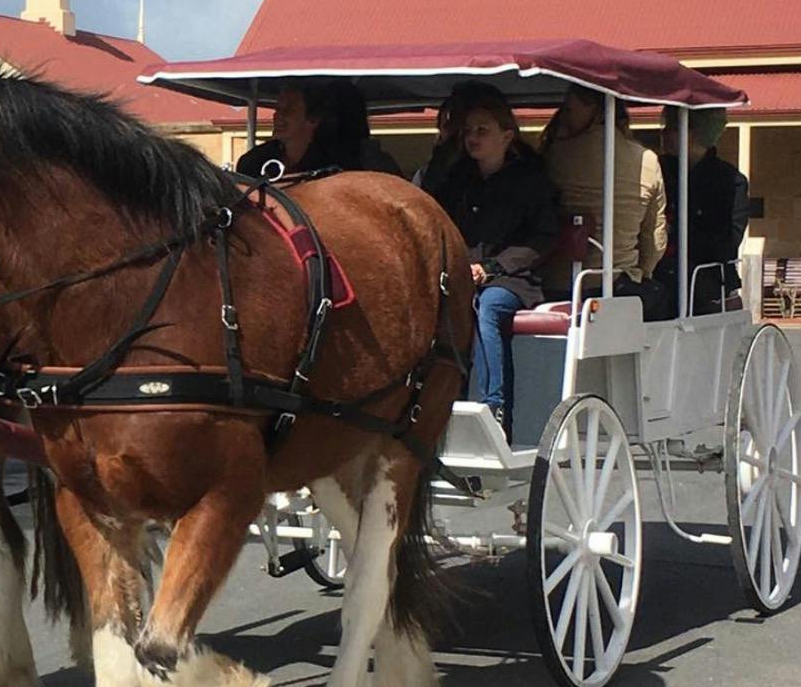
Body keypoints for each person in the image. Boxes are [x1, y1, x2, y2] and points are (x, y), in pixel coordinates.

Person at [423, 85, 559, 439]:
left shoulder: (532, 180)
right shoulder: (459, 179)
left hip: (513, 279)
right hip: (461, 275)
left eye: (482, 130)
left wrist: (494, 268)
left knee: (488, 306)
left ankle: (493, 409)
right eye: (468, 131)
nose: (472, 137)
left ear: (507, 135)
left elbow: (543, 239)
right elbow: (432, 206)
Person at [540, 85, 668, 314]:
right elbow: (655, 238)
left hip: (557, 283)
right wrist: (641, 273)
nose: (564, 116)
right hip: (618, 282)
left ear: (595, 110)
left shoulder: (555, 154)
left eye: (569, 109)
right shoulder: (647, 159)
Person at [656, 106, 749, 315]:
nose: (662, 133)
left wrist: (673, 230)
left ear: (696, 132)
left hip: (706, 281)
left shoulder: (729, 180)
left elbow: (727, 242)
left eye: (672, 127)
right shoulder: (656, 170)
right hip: (658, 275)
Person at [236, 79, 404, 179]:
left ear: (313, 119)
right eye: (277, 109)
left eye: (289, 110)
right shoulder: (253, 162)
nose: (277, 116)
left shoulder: (342, 165)